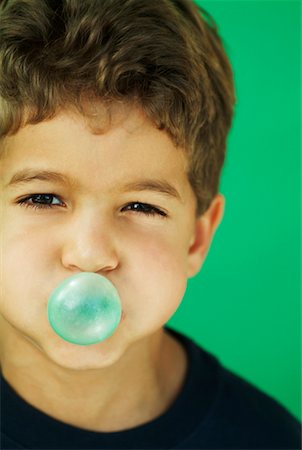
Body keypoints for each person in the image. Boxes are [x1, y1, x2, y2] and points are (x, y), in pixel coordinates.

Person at [0, 0, 300, 449]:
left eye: (141, 207)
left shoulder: (266, 439)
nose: (90, 254)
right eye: (43, 197)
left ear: (197, 238)